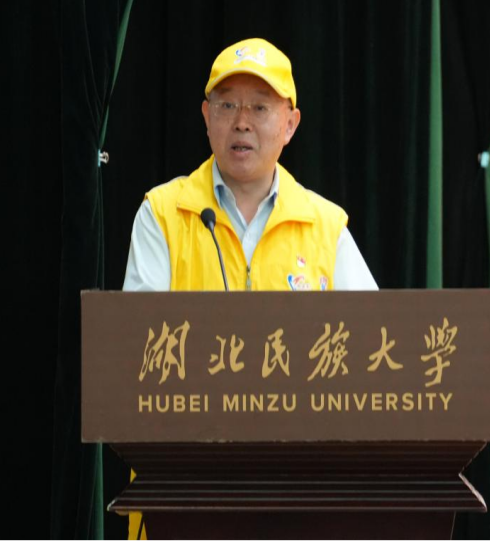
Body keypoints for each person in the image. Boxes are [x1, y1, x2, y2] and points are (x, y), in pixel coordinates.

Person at [122, 38, 377, 540]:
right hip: (183, 493)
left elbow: (373, 352)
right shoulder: (163, 214)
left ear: (290, 124)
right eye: (227, 106)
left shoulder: (325, 226)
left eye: (260, 107)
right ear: (206, 116)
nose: (241, 122)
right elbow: (136, 353)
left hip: (298, 497)